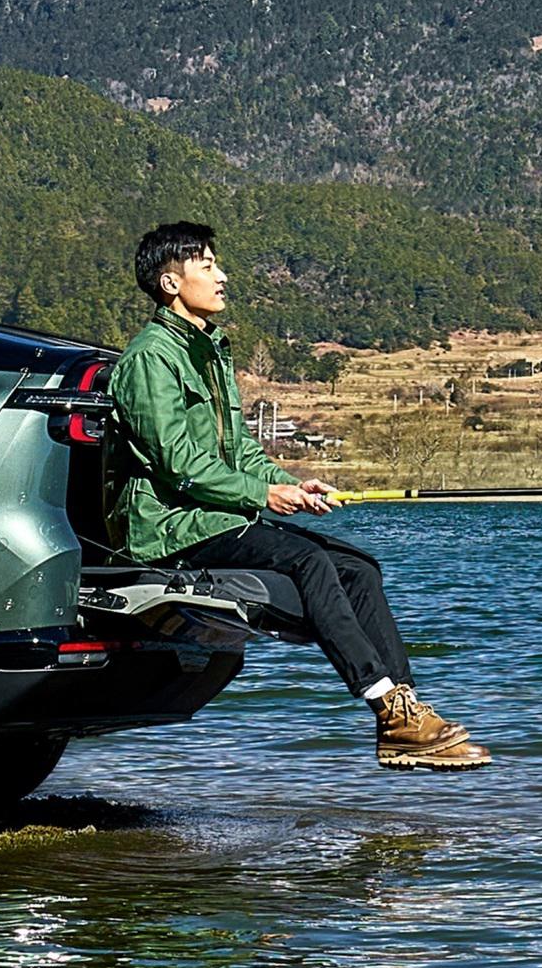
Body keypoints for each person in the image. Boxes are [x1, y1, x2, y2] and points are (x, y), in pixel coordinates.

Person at [110, 220, 491, 769]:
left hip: (215, 516)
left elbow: (236, 447)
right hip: (170, 528)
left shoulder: (207, 352)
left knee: (360, 569)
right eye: (208, 266)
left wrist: (286, 483)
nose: (223, 276)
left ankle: (404, 709)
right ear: (171, 284)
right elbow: (180, 469)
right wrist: (262, 495)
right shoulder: (151, 358)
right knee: (311, 562)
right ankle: (386, 706)